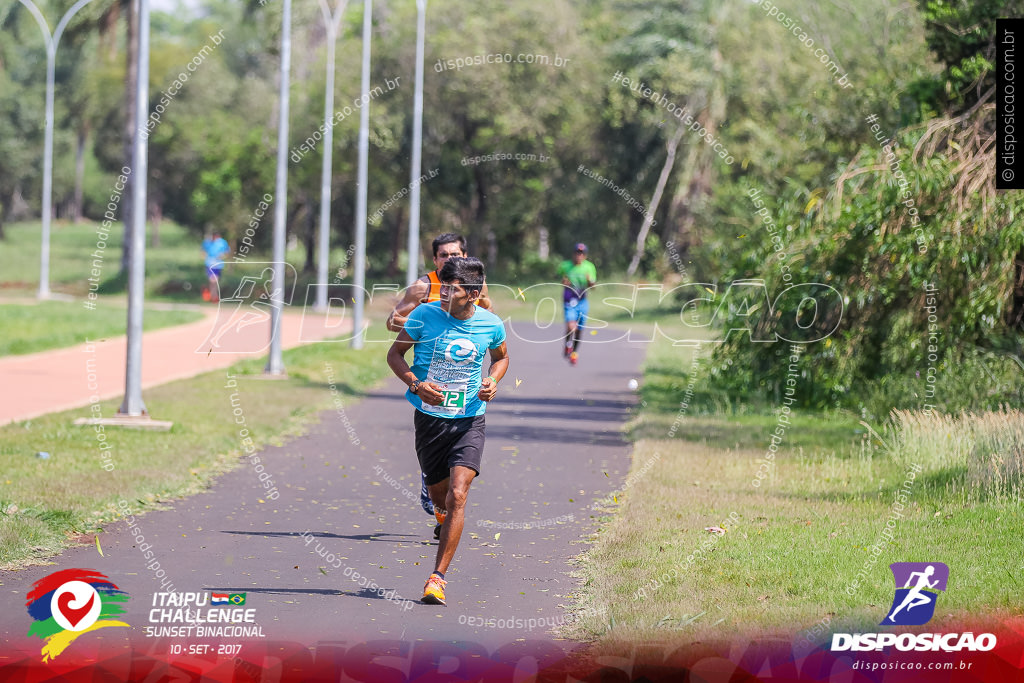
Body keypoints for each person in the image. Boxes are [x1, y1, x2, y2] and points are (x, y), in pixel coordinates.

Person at [386, 257, 509, 605]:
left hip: (470, 418)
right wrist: (415, 383)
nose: (443, 293)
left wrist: (492, 380)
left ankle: (437, 577)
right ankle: (439, 514)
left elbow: (501, 358)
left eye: (452, 289)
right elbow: (395, 355)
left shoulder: (491, 324)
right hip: (429, 420)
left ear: (471, 294)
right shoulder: (424, 316)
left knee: (458, 494)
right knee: (440, 497)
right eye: (443, 286)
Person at [387, 233, 494, 539]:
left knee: (457, 489)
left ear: (465, 254)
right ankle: (434, 488)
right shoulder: (424, 287)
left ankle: (445, 509)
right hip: (429, 377)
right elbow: (393, 322)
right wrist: (426, 316)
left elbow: (488, 315)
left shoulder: (475, 282)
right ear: (434, 260)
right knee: (438, 486)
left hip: (464, 388)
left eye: (455, 254)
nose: (450, 259)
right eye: (443, 255)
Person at [557, 243, 597, 365]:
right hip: (569, 299)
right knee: (571, 326)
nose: (579, 256)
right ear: (573, 254)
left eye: (582, 253)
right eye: (577, 253)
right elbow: (560, 278)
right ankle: (568, 344)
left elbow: (593, 287)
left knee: (579, 330)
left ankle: (574, 352)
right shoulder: (565, 266)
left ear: (585, 255)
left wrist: (590, 282)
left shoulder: (589, 267)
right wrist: (564, 282)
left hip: (582, 301)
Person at [201, 231, 231, 302]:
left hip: (218, 265)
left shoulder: (223, 243)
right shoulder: (207, 242)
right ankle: (214, 296)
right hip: (209, 264)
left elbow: (227, 252)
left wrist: (222, 256)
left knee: (215, 281)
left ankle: (210, 293)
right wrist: (204, 256)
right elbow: (202, 250)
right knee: (213, 280)